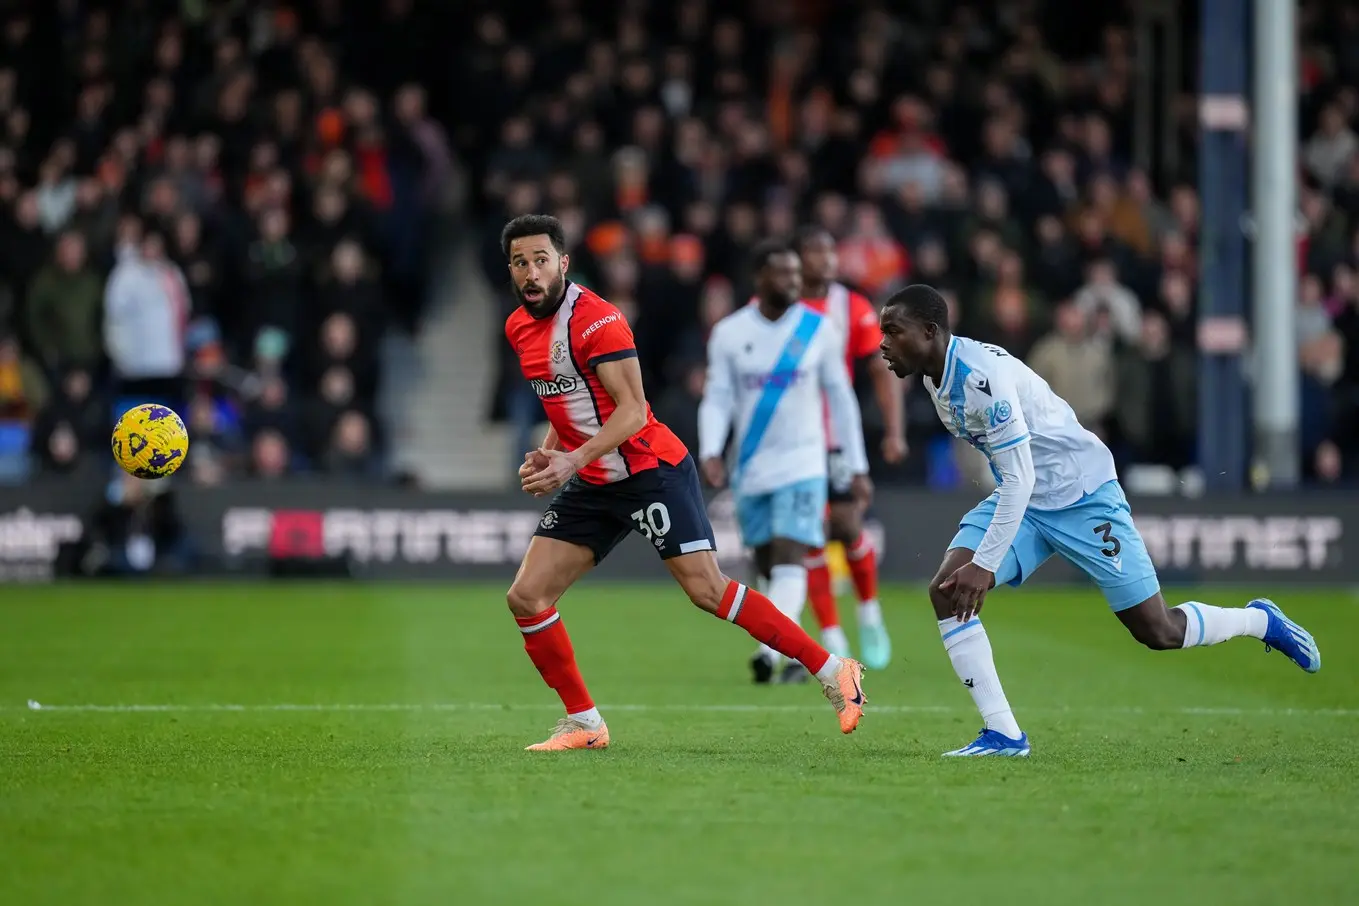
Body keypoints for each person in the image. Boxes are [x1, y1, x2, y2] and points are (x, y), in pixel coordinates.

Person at [877, 284, 1321, 758]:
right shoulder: (934, 376)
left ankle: (1258, 621)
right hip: (1024, 497)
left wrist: (985, 563)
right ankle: (1004, 735)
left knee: (1159, 631)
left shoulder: (979, 380)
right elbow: (1018, 479)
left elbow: (1022, 476)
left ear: (929, 332)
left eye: (892, 331)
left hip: (1081, 494)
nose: (882, 343)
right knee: (946, 591)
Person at [502, 214, 867, 751]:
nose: (530, 273)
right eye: (518, 262)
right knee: (528, 597)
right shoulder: (517, 327)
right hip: (594, 477)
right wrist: (552, 454)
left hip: (650, 469)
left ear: (563, 262)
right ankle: (585, 723)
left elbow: (631, 412)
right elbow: (568, 403)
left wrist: (570, 461)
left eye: (540, 260)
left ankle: (834, 669)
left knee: (707, 590)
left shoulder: (599, 321)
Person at [697, 240, 870, 684]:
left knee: (793, 552)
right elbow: (717, 397)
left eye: (797, 274)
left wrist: (856, 464)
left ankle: (768, 654)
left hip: (804, 464)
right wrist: (711, 449)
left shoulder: (818, 330)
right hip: (750, 466)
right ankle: (790, 652)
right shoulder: (730, 333)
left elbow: (842, 400)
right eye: (785, 274)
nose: (796, 281)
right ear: (761, 278)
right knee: (769, 562)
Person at [796, 226, 904, 668]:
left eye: (830, 250)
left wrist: (894, 430)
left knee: (846, 522)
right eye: (816, 250)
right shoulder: (778, 308)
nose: (826, 259)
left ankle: (869, 612)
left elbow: (882, 371)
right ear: (799, 258)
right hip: (791, 440)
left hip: (836, 438)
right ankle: (831, 632)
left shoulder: (851, 306)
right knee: (809, 532)